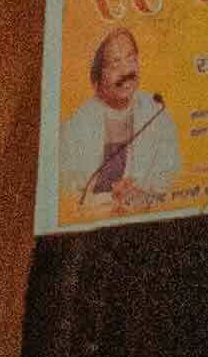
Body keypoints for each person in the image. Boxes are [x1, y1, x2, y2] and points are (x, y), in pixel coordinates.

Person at [58, 20, 184, 214]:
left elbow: (172, 179)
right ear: (97, 74)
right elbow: (67, 197)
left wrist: (143, 196)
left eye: (131, 59)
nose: (126, 71)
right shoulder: (75, 128)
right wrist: (107, 201)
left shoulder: (157, 113)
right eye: (115, 64)